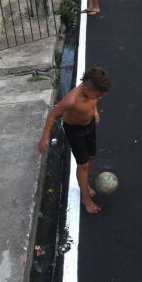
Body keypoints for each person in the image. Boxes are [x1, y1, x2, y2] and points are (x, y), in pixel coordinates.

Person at [38, 67, 111, 213]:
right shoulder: (71, 100)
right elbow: (53, 115)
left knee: (91, 157)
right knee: (83, 165)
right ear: (86, 88)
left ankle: (85, 185)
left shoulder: (92, 92)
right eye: (97, 95)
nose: (99, 97)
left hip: (89, 126)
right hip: (74, 131)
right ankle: (85, 198)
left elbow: (94, 100)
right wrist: (45, 137)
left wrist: (95, 111)